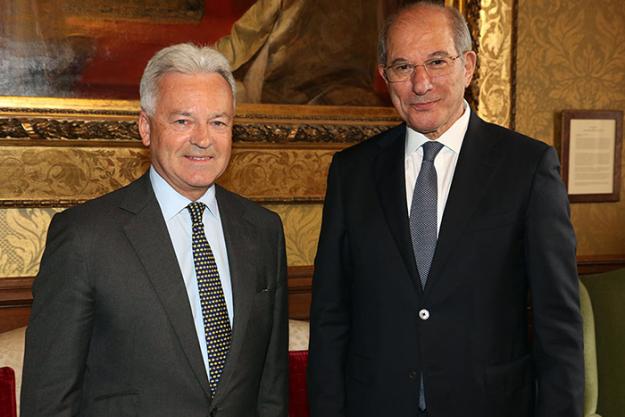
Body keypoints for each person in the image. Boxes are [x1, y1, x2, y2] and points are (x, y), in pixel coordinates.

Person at [307, 2, 584, 417]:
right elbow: (330, 316)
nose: (420, 84)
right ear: (384, 78)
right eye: (402, 67)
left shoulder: (526, 167)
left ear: (468, 66)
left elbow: (558, 326)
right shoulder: (352, 172)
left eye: (437, 62)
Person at [21, 43, 288, 417]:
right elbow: (48, 399)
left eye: (218, 122)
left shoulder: (263, 231)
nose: (203, 139)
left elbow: (270, 388)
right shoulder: (84, 237)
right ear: (146, 128)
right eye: (182, 121)